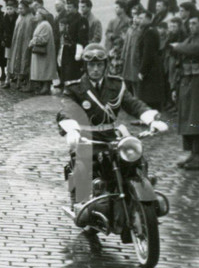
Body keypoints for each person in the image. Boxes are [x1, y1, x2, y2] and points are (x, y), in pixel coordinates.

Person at [56, 44, 168, 210]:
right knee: (83, 161)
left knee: (134, 157)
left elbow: (133, 104)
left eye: (99, 65)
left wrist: (151, 119)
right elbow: (68, 110)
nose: (96, 69)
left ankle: (141, 184)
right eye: (92, 65)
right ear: (85, 67)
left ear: (105, 66)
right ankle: (81, 200)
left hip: (111, 135)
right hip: (87, 136)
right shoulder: (75, 88)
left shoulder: (116, 85)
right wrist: (72, 130)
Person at [168, 8, 199, 170]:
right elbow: (179, 54)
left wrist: (177, 46)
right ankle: (192, 154)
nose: (191, 27)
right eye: (189, 24)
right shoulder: (190, 38)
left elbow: (192, 50)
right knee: (187, 118)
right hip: (187, 80)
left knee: (198, 118)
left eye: (194, 23)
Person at [134, 8, 167, 109]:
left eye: (142, 18)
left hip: (151, 69)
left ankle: (150, 117)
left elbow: (148, 53)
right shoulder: (149, 30)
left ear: (149, 19)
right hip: (152, 67)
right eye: (138, 18)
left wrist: (142, 71)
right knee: (149, 95)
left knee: (150, 96)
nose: (139, 20)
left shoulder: (149, 32)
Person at [58, 0, 88, 87]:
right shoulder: (66, 18)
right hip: (66, 48)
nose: (67, 9)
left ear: (76, 8)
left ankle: (72, 88)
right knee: (64, 68)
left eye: (70, 7)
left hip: (75, 49)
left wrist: (79, 51)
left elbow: (82, 38)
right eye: (67, 6)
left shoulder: (81, 20)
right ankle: (65, 85)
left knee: (73, 71)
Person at [29, 5, 57, 95]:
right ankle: (43, 86)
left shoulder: (44, 25)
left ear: (42, 15)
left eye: (37, 14)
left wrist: (33, 41)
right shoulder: (41, 24)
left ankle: (46, 87)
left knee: (45, 69)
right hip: (41, 51)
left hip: (44, 52)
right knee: (42, 69)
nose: (36, 16)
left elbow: (44, 39)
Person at [6, 0, 33, 91]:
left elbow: (29, 33)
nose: (20, 10)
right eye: (19, 8)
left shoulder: (30, 18)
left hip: (25, 43)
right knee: (15, 61)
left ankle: (24, 82)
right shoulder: (19, 17)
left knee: (24, 62)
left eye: (22, 8)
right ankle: (16, 81)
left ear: (26, 8)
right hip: (17, 43)